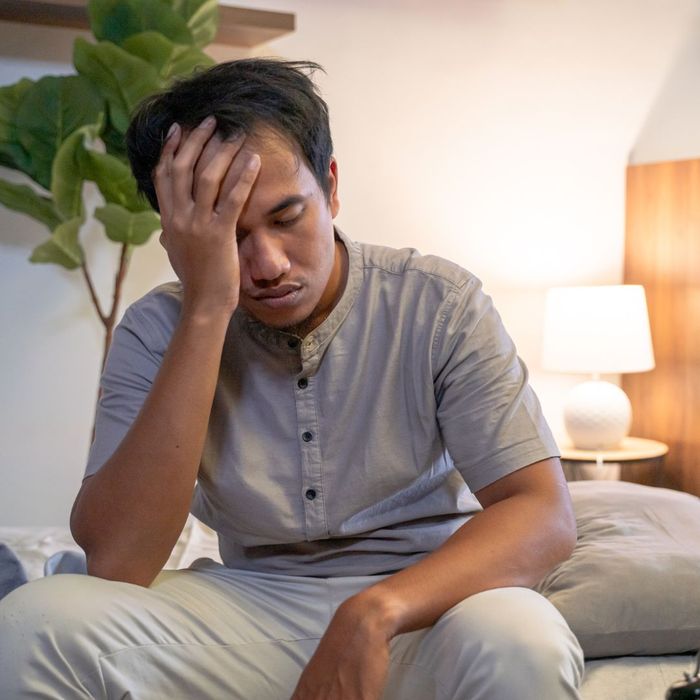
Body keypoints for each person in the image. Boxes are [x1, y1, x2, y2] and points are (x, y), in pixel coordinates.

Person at [0, 59, 583, 699]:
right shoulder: (156, 329)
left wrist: (374, 611)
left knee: (525, 638)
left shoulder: (438, 302)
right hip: (248, 611)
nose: (267, 265)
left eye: (286, 218)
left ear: (330, 187)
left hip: (430, 607)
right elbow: (119, 561)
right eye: (230, 236)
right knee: (33, 626)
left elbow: (542, 513)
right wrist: (204, 308)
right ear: (177, 236)